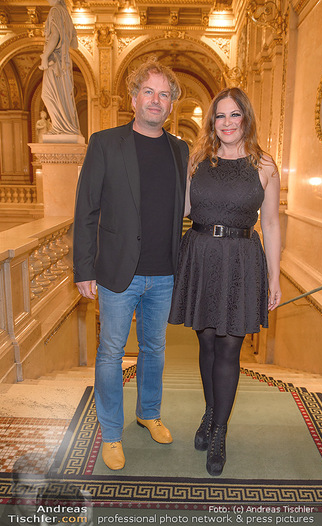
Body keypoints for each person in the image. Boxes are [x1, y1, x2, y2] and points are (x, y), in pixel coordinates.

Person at [73, 58, 189, 471]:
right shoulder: (105, 143)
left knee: (155, 349)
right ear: (134, 97)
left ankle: (149, 413)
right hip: (117, 272)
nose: (155, 100)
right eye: (148, 92)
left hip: (164, 273)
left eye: (164, 94)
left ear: (171, 104)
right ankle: (111, 432)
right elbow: (86, 209)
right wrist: (84, 268)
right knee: (110, 353)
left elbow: (183, 209)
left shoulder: (180, 149)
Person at [169, 87, 281, 476]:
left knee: (230, 348)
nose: (228, 123)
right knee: (206, 343)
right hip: (200, 254)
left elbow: (270, 222)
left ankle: (219, 431)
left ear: (246, 119)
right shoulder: (197, 160)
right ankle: (210, 410)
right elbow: (179, 208)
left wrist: (274, 275)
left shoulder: (264, 165)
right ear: (212, 122)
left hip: (241, 260)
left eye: (235, 115)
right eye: (220, 116)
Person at [39, 0, 80, 136]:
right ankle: (63, 126)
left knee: (47, 94)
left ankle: (59, 128)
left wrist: (45, 56)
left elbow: (55, 35)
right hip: (64, 62)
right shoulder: (66, 14)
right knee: (62, 95)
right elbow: (75, 43)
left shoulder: (55, 11)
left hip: (55, 62)